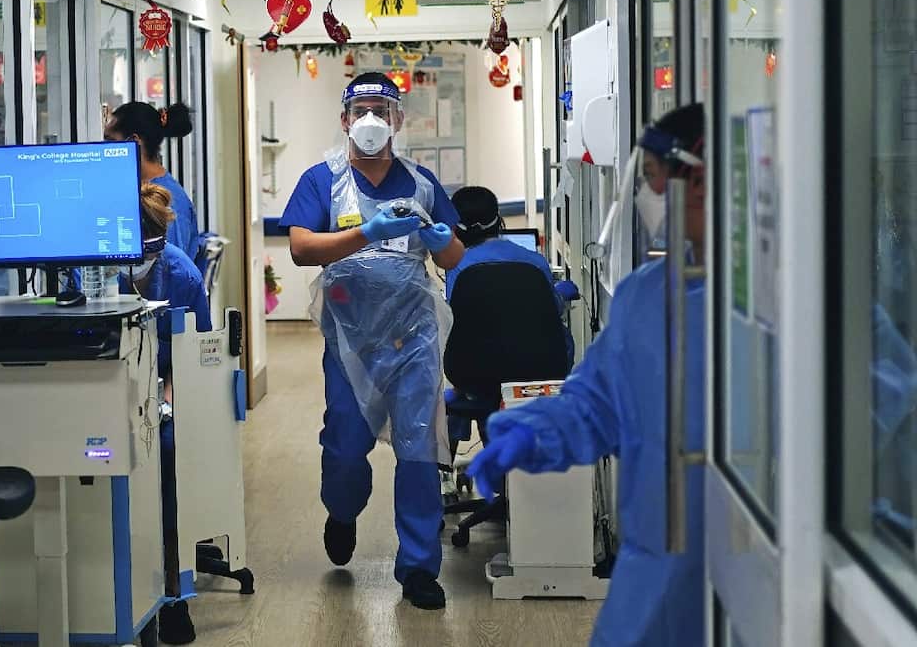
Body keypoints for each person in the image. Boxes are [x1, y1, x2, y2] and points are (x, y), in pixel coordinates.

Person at [469, 103, 706, 646]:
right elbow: (595, 402)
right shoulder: (648, 296)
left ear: (700, 180)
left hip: (762, 573)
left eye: (653, 178)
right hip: (656, 576)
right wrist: (532, 432)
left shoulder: (800, 304)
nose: (647, 195)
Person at [280, 73, 465, 610]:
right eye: (361, 109)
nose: (371, 120)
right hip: (350, 340)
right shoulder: (322, 180)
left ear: (398, 119)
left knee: (419, 447)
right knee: (344, 446)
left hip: (413, 335)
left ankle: (419, 567)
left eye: (382, 111)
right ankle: (342, 512)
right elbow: (301, 248)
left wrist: (439, 241)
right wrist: (367, 232)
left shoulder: (421, 183)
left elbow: (454, 257)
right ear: (344, 120)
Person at [123, 183, 211, 645]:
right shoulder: (90, 272)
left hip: (164, 390)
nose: (140, 262)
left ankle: (173, 594)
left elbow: (196, 356)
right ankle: (115, 591)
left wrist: (168, 401)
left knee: (167, 455)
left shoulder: (181, 275)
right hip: (110, 391)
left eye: (150, 251)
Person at [446, 185, 575, 364]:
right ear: (498, 219)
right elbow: (552, 309)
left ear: (455, 226)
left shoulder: (457, 266)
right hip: (539, 364)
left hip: (476, 368)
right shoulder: (536, 262)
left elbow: (453, 319)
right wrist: (559, 294)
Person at [105, 101, 200, 259]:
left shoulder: (167, 203)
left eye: (109, 141)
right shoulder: (138, 189)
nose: (103, 149)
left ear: (133, 142)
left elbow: (170, 268)